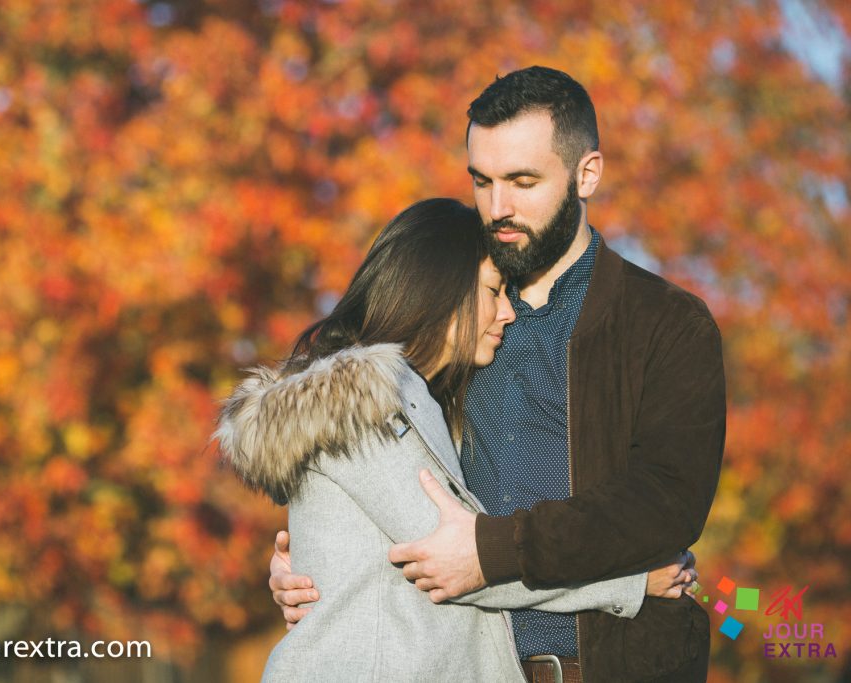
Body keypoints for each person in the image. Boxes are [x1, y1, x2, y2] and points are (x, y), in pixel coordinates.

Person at [270, 67, 725, 682]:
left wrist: (492, 554)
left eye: (523, 181)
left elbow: (665, 502)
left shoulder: (666, 322)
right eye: (482, 181)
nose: (498, 207)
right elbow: (375, 469)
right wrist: (319, 559)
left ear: (587, 174)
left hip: (614, 665)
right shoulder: (456, 313)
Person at [217, 198, 693, 682]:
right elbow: (458, 566)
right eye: (492, 291)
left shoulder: (413, 403)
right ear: (440, 289)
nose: (507, 312)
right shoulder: (365, 406)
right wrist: (630, 583)